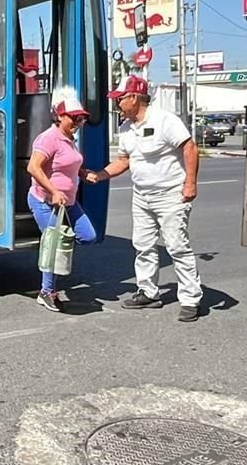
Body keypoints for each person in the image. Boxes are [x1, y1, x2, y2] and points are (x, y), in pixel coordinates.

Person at [86, 75, 202, 322]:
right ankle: (149, 292)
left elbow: (189, 148)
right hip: (142, 196)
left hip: (170, 195)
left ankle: (190, 299)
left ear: (135, 98)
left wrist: (190, 183)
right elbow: (124, 161)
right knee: (143, 245)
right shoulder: (126, 128)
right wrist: (100, 175)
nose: (117, 104)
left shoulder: (164, 120)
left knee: (177, 247)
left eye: (120, 99)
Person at [26, 87, 99, 312]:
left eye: (82, 118)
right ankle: (47, 292)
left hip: (67, 203)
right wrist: (54, 191)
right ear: (60, 116)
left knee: (88, 236)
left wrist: (82, 173)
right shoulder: (49, 138)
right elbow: (33, 167)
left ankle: (57, 256)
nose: (78, 121)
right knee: (54, 244)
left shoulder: (70, 138)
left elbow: (66, 166)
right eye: (74, 117)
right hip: (44, 201)